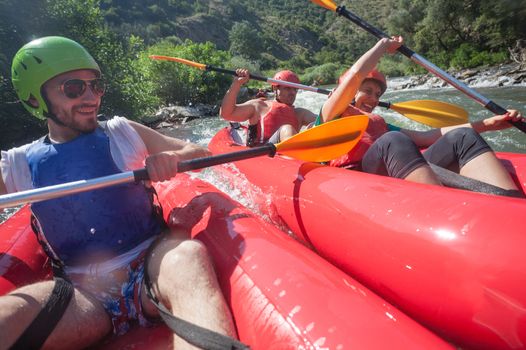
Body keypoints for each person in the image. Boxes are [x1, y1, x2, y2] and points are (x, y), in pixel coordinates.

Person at [0, 36, 238, 349]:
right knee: (8, 314)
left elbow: (196, 149)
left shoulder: (122, 131)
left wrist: (173, 158)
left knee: (188, 256)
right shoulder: (16, 163)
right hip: (84, 296)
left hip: (152, 267)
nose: (91, 96)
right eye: (74, 88)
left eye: (95, 85)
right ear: (35, 100)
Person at [318, 36, 524, 192]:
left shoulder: (381, 126)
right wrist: (382, 46)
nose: (374, 99)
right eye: (368, 92)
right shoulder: (332, 112)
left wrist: (488, 124)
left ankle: (510, 206)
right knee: (393, 140)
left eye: (378, 94)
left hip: (395, 167)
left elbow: (426, 137)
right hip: (358, 180)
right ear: (350, 91)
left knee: (462, 137)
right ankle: (448, 210)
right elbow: (355, 76)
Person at [220, 69, 316, 146]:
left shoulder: (300, 113)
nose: (292, 93)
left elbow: (325, 121)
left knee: (314, 126)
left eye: (295, 89)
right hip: (263, 153)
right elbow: (226, 114)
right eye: (287, 88)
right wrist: (237, 84)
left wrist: (331, 100)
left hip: (288, 156)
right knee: (287, 129)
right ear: (275, 88)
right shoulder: (259, 106)